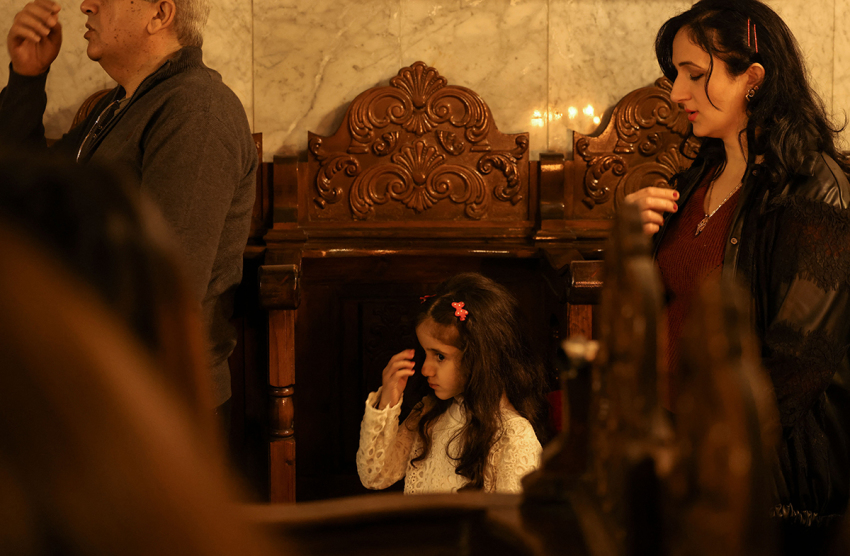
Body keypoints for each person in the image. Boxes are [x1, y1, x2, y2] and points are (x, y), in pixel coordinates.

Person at [625, 0, 850, 550]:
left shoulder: (816, 190)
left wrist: (705, 452)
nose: (676, 93)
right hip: (676, 452)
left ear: (752, 78)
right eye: (674, 74)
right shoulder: (697, 176)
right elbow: (658, 310)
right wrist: (629, 241)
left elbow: (799, 361)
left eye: (696, 75)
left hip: (764, 480)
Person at [0, 0, 258, 416]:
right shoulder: (118, 106)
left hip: (156, 404)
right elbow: (33, 202)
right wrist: (27, 80)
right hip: (101, 378)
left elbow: (167, 287)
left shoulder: (195, 109)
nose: (87, 5)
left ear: (160, 14)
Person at [356, 273, 551, 494]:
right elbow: (374, 475)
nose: (425, 369)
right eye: (424, 353)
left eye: (440, 356)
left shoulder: (514, 437)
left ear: (480, 359)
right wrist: (387, 403)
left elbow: (512, 523)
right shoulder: (429, 413)